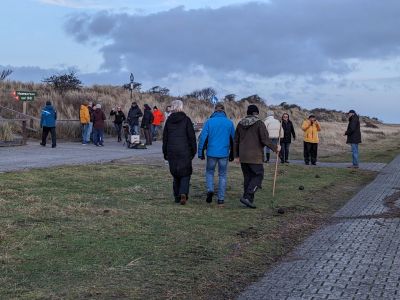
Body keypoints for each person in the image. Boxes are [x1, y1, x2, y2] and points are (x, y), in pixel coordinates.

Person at [234, 105, 280, 209]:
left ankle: (248, 200)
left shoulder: (240, 124)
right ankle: (247, 196)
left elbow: (235, 140)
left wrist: (236, 155)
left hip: (243, 156)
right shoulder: (259, 123)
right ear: (256, 113)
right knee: (258, 176)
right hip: (255, 156)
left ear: (248, 113)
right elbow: (265, 139)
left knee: (248, 178)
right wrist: (275, 148)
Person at [198, 102, 235, 207]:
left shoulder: (209, 122)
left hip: (211, 152)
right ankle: (221, 199)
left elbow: (203, 138)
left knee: (210, 172)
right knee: (222, 175)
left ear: (215, 110)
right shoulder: (229, 122)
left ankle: (210, 189)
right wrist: (233, 153)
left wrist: (200, 152)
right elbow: (234, 139)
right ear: (224, 111)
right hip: (224, 153)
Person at [163, 99, 197, 205]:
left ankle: (177, 196)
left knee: (175, 174)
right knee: (185, 174)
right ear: (181, 107)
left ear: (172, 107)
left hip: (172, 150)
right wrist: (193, 151)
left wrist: (165, 152)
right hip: (184, 150)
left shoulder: (168, 120)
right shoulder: (186, 120)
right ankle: (183, 193)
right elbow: (192, 137)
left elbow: (165, 138)